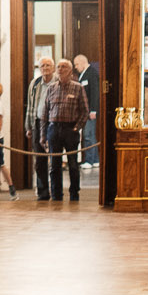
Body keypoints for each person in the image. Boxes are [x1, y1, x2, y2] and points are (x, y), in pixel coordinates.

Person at [43, 58, 91, 202]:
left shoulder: (78, 87)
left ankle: (74, 193)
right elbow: (45, 113)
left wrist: (77, 127)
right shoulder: (51, 88)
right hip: (54, 129)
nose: (60, 69)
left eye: (64, 67)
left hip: (70, 129)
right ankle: (56, 195)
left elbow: (85, 111)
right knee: (54, 165)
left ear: (70, 70)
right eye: (58, 67)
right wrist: (43, 134)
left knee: (73, 164)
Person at [23, 56, 55, 200]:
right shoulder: (34, 84)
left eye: (48, 65)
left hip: (53, 123)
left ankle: (56, 191)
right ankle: (42, 192)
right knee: (40, 160)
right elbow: (30, 106)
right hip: (37, 123)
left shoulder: (58, 82)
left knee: (55, 159)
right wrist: (28, 126)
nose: (45, 68)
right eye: (42, 66)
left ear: (53, 68)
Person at [73, 54, 100, 168]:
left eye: (76, 64)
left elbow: (95, 93)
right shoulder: (82, 75)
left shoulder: (92, 73)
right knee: (88, 135)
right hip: (84, 111)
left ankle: (90, 160)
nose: (75, 67)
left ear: (83, 62)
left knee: (89, 136)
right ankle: (94, 160)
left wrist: (93, 110)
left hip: (90, 111)